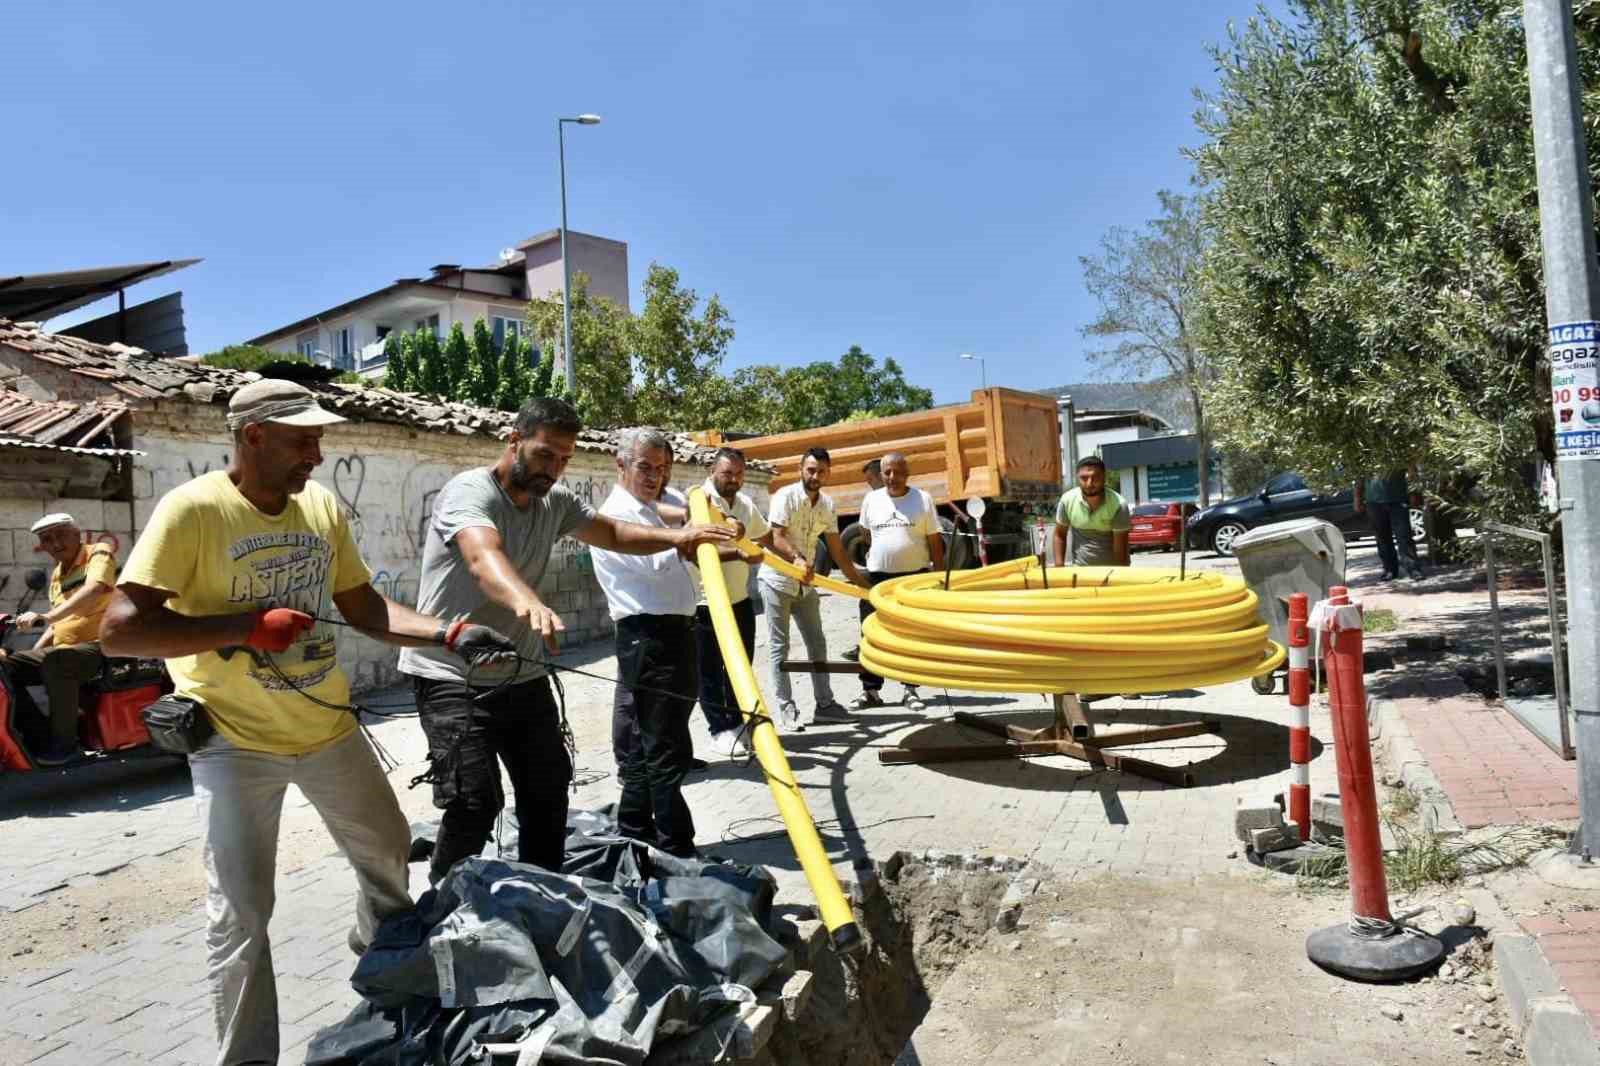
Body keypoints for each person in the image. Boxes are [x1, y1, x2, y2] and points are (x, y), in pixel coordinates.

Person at [100, 378, 518, 1066]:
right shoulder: (193, 510)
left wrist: (449, 634)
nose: (317, 455)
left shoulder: (319, 507)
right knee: (239, 913)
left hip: (326, 730)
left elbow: (365, 610)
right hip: (234, 743)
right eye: (303, 440)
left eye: (320, 439)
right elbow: (118, 632)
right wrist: (243, 626)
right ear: (253, 436)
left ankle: (386, 984)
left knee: (387, 859)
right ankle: (248, 1059)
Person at [590, 428, 738, 857]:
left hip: (670, 632)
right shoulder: (619, 513)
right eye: (645, 467)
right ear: (621, 465)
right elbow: (658, 562)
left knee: (649, 741)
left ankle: (634, 826)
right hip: (648, 637)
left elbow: (686, 514)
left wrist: (721, 525)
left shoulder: (650, 506)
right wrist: (693, 536)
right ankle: (676, 843)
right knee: (665, 744)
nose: (655, 477)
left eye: (662, 469)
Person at [760, 446, 869, 731]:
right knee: (779, 648)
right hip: (777, 581)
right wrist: (797, 558)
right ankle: (787, 709)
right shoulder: (786, 496)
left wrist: (860, 582)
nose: (815, 475)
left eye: (821, 471)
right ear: (801, 470)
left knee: (817, 644)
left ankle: (825, 706)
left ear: (828, 473)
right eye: (810, 469)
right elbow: (776, 535)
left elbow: (837, 550)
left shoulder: (828, 506)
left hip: (807, 587)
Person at [4, 513, 115, 763]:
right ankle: (37, 736)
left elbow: (94, 589)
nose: (55, 544)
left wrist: (46, 616)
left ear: (77, 534)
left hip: (101, 648)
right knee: (6, 668)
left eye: (61, 535)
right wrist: (32, 654)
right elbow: (56, 625)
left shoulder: (98, 552)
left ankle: (65, 747)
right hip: (67, 651)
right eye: (47, 539)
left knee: (57, 661)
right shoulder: (56, 574)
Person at [691, 447, 771, 757]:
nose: (733, 480)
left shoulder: (746, 504)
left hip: (739, 601)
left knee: (740, 666)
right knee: (709, 670)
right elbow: (699, 546)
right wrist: (738, 551)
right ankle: (719, 729)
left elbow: (766, 537)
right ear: (712, 471)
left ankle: (739, 722)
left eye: (738, 474)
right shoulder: (698, 500)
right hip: (705, 604)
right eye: (727, 473)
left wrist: (795, 558)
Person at [851, 452, 944, 712]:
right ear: (881, 474)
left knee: (910, 636)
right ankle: (870, 691)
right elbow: (865, 533)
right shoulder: (871, 499)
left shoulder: (922, 499)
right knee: (871, 633)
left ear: (908, 473)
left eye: (899, 472)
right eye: (888, 472)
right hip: (877, 580)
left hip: (913, 579)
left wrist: (939, 578)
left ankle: (910, 689)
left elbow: (935, 541)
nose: (893, 477)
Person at [1052, 456, 1131, 567]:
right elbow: (1059, 534)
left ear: (1104, 478)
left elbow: (1120, 548)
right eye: (1084, 478)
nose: (1089, 483)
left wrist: (1117, 576)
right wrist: (1059, 568)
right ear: (1077, 478)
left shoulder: (1118, 504)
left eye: (1095, 477)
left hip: (1111, 572)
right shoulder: (1067, 501)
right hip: (1080, 572)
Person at [1356, 469, 1424, 581]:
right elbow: (1359, 477)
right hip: (1374, 502)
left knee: (1404, 535)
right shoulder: (1363, 453)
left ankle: (1413, 569)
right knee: (1382, 538)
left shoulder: (1396, 452)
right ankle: (1390, 570)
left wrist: (1414, 494)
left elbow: (1412, 473)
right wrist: (1357, 498)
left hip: (1398, 499)